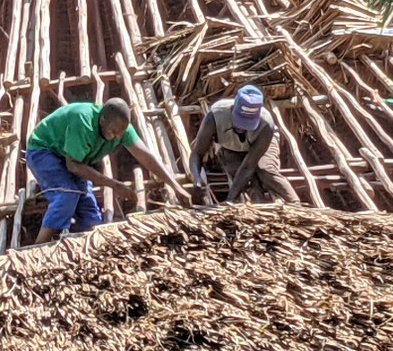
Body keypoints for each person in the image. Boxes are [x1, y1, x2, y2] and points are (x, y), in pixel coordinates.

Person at [26, 98, 191, 244]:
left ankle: (85, 253)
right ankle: (37, 248)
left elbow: (146, 157)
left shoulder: (121, 129)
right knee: (67, 195)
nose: (117, 137)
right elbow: (73, 166)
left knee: (91, 217)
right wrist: (115, 185)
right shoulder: (83, 121)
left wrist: (176, 187)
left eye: (121, 133)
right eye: (113, 131)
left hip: (74, 157)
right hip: (43, 151)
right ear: (102, 119)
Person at [189, 85, 300, 205]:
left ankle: (294, 202)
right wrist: (197, 178)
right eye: (239, 122)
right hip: (231, 146)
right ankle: (256, 203)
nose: (242, 128)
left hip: (261, 144)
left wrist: (229, 199)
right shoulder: (214, 117)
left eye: (247, 124)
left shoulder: (266, 125)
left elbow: (248, 166)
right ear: (233, 108)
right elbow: (197, 153)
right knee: (242, 178)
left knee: (265, 169)